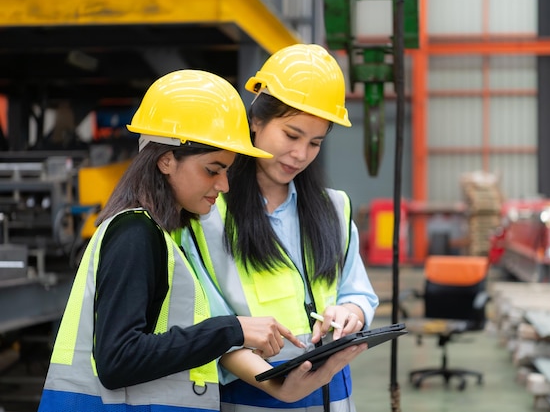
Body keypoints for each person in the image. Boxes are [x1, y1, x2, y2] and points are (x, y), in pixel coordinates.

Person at [37, 69, 366, 412]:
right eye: (212, 169)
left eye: (226, 170)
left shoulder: (156, 235)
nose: (224, 185)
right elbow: (117, 360)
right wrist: (231, 330)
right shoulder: (135, 234)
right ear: (166, 160)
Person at [184, 44, 379, 411]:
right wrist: (278, 385)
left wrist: (349, 314)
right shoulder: (208, 215)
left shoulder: (334, 208)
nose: (301, 154)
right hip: (253, 396)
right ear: (256, 121)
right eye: (292, 135)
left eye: (315, 142)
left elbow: (359, 292)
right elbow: (207, 321)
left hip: (333, 396)